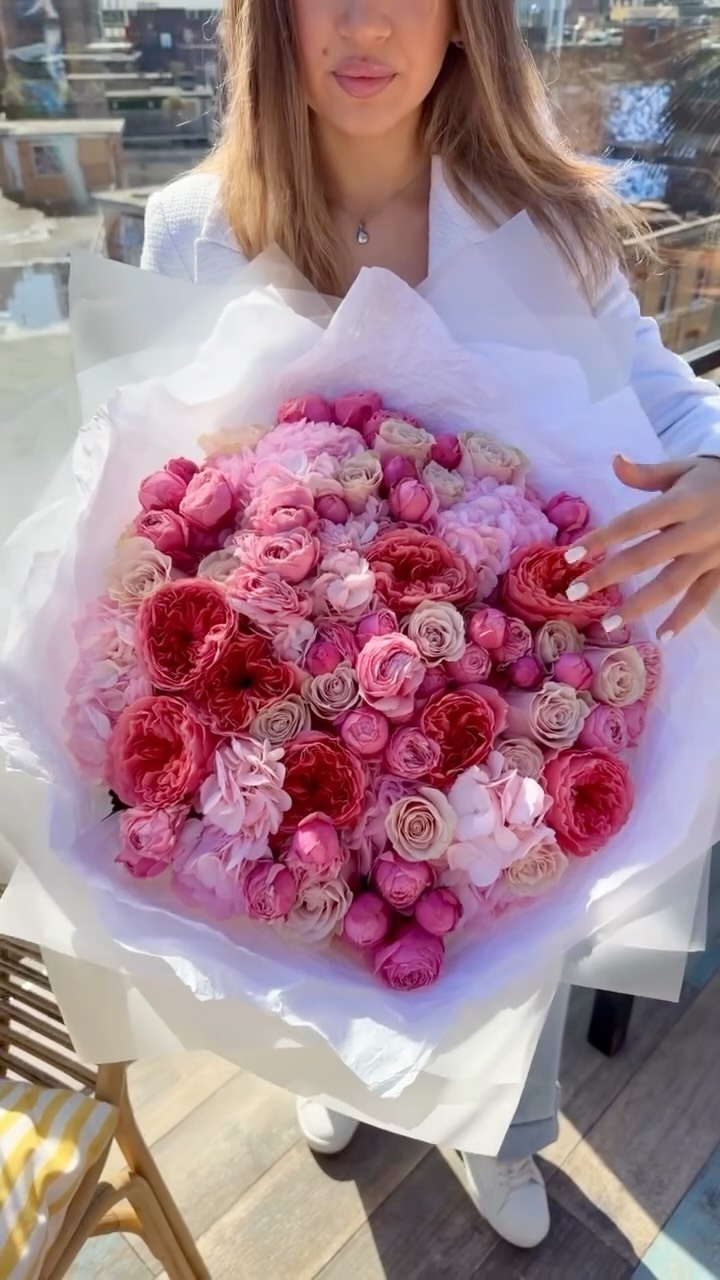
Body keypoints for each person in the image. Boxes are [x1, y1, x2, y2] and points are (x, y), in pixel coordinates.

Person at [141, 0, 720, 1250]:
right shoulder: (192, 232)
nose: (363, 23)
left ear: (466, 19)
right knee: (315, 915)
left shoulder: (549, 223)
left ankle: (504, 1125)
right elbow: (158, 460)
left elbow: (666, 399)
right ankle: (330, 1063)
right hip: (285, 716)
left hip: (510, 701)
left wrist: (719, 464)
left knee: (507, 935)